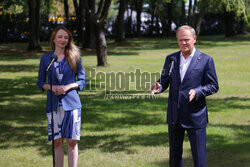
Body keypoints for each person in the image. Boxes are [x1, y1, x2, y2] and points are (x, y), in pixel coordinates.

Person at [150, 25, 219, 167]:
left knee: (199, 159)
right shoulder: (171, 59)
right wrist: (159, 87)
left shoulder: (206, 60)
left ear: (194, 39)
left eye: (186, 39)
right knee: (174, 158)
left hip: (196, 116)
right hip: (175, 116)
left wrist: (197, 91)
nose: (183, 43)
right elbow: (164, 81)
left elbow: (213, 85)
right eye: (180, 40)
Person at [37, 26, 87, 167]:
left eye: (66, 37)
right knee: (57, 141)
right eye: (60, 37)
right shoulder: (46, 59)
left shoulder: (74, 57)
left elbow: (83, 80)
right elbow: (40, 82)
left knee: (71, 142)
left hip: (72, 104)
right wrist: (52, 87)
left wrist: (68, 86)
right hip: (53, 105)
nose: (63, 40)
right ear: (53, 39)